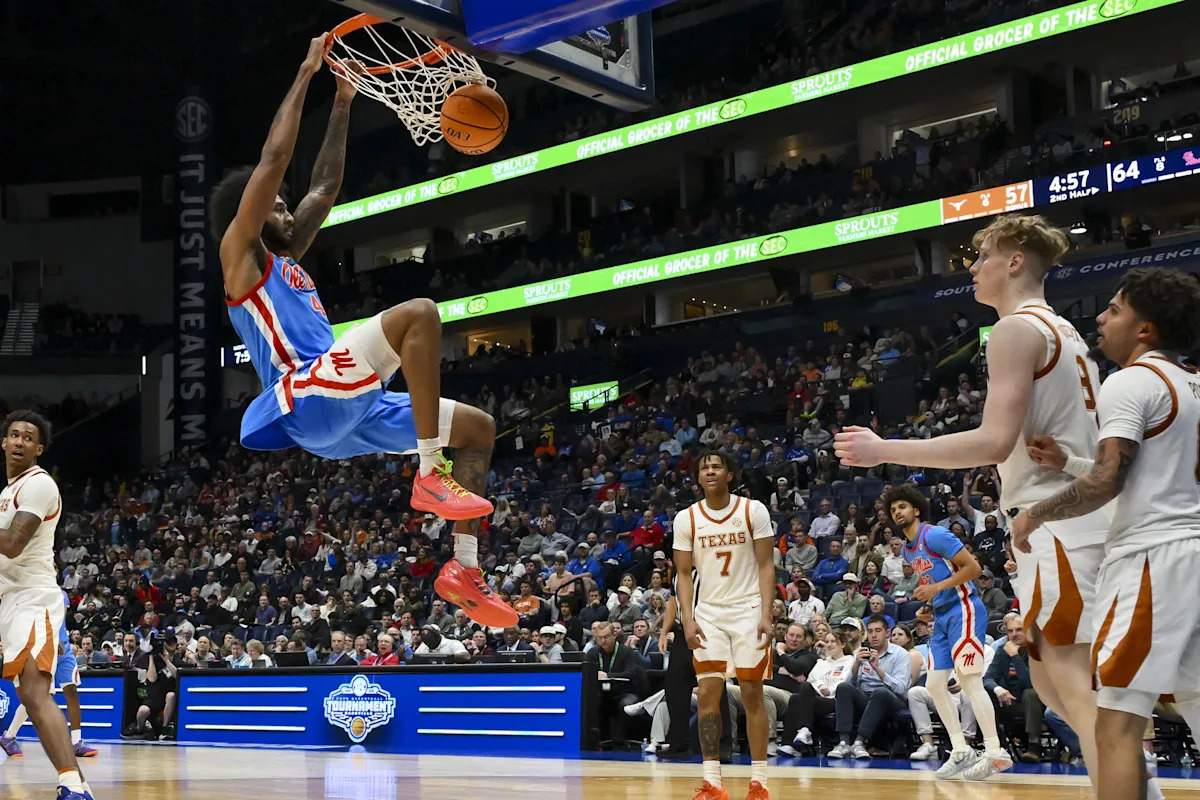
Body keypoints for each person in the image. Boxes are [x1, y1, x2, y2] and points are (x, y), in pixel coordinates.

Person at [210, 35, 512, 629]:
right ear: (252, 211)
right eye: (277, 205)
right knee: (419, 313)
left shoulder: (290, 254)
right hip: (304, 393)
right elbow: (273, 165)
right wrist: (304, 75)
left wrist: (344, 100)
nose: (288, 208)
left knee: (479, 429)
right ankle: (431, 472)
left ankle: (465, 568)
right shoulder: (240, 256)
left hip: (348, 411)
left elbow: (323, 187)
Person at [835, 214, 1112, 786]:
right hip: (1070, 516)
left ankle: (1134, 786)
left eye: (982, 254)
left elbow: (993, 441)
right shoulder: (1068, 331)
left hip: (1057, 519)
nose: (971, 265)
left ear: (1014, 261)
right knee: (1059, 683)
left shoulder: (1015, 330)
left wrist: (885, 446)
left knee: (1073, 684)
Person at [1010, 267, 1200, 800]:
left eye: (1114, 309)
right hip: (1194, 552)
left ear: (1146, 328)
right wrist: (1071, 461)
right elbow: (1154, 471)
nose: (1101, 317)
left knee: (1116, 720)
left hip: (1153, 560)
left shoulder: (1132, 380)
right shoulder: (1193, 385)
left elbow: (1108, 479)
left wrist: (1036, 512)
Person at [877, 483, 1006, 778]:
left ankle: (996, 752)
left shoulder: (934, 534)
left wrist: (936, 588)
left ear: (916, 509)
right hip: (944, 615)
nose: (897, 512)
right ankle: (961, 750)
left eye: (902, 507)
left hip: (965, 609)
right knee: (934, 686)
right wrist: (931, 604)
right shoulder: (909, 552)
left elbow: (972, 568)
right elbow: (937, 582)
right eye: (893, 509)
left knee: (969, 679)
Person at [0, 410, 93, 799]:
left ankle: (73, 786)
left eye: (28, 438)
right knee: (29, 693)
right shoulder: (7, 491)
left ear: (38, 449)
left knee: (36, 693)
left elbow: (13, 543)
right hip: (10, 599)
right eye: (13, 435)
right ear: (3, 442)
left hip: (33, 599)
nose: (19, 441)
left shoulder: (38, 484)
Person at [673, 449, 774, 800]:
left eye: (717, 466)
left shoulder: (752, 510)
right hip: (709, 614)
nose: (710, 471)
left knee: (751, 695)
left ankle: (759, 781)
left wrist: (766, 613)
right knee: (707, 696)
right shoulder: (686, 518)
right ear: (698, 478)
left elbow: (766, 565)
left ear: (730, 474)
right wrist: (687, 619)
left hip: (748, 609)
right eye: (704, 468)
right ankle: (713, 782)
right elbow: (683, 574)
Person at [1, 591, 99, 759]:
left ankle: (76, 741)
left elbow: (59, 620)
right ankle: (9, 736)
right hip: (44, 649)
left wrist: (60, 641)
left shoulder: (60, 594)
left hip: (64, 649)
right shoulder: (34, 595)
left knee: (72, 691)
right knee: (42, 695)